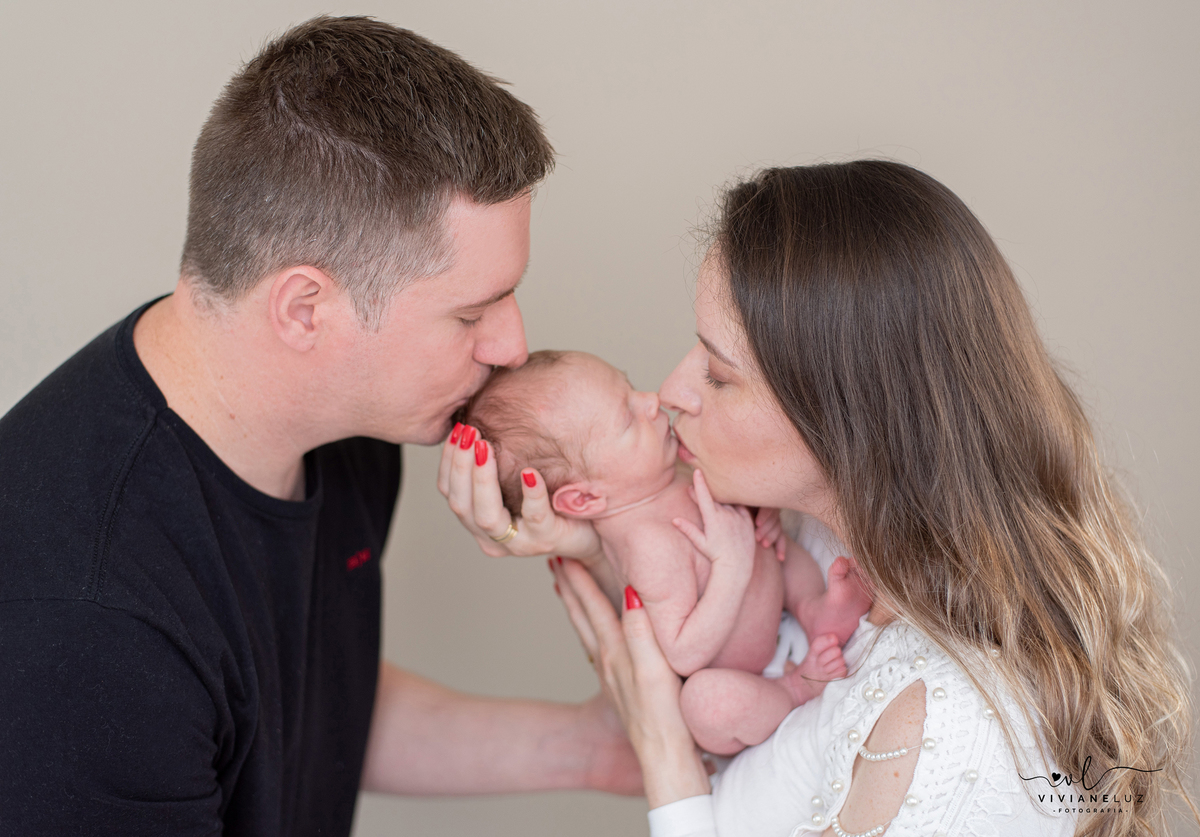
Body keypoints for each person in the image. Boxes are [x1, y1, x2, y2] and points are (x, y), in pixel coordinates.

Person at [0, 16, 640, 836]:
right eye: (471, 312)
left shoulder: (352, 435)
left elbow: (290, 699)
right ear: (307, 309)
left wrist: (591, 747)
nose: (512, 344)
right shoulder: (84, 627)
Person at [446, 161, 1195, 836]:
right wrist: (584, 537)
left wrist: (663, 753)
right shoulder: (823, 542)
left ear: (846, 418)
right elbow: (696, 601)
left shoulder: (945, 736)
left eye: (718, 374)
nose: (672, 393)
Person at [458, 349, 871, 754]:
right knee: (707, 705)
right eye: (627, 418)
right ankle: (794, 687)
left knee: (777, 547)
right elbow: (684, 652)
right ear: (584, 499)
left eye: (632, 388)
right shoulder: (646, 546)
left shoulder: (668, 472)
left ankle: (813, 608)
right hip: (746, 671)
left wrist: (765, 517)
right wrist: (732, 565)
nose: (652, 402)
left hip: (772, 603)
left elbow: (742, 512)